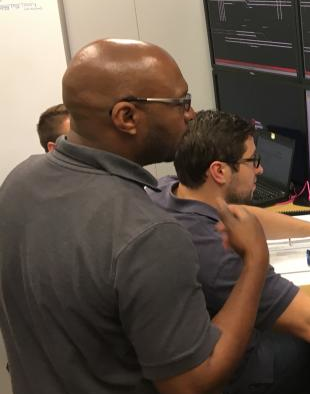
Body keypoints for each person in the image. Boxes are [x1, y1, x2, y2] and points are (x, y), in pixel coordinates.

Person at [0, 38, 270, 394]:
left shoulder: (19, 180)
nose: (191, 114)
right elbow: (193, 382)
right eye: (181, 102)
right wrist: (255, 261)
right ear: (126, 117)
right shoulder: (148, 233)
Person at [147, 109, 310, 394]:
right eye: (253, 161)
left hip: (194, 345)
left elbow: (241, 214)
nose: (260, 170)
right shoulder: (216, 249)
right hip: (242, 371)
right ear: (219, 171)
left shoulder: (168, 190)